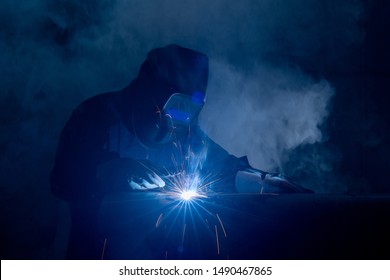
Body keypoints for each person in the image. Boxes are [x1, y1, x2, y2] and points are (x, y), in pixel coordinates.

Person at [50, 44, 311, 259]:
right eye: (175, 104)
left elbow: (220, 164)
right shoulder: (96, 116)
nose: (181, 116)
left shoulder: (185, 130)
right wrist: (107, 172)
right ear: (150, 91)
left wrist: (258, 179)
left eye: (191, 106)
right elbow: (61, 181)